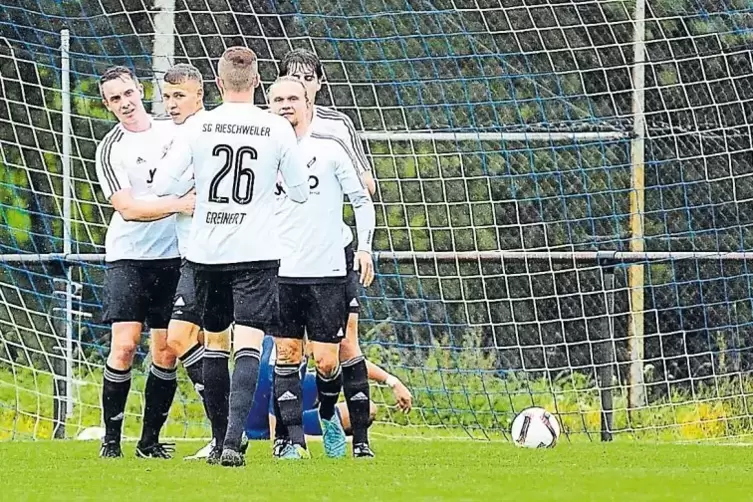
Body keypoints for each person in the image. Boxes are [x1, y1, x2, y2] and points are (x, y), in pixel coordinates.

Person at [174, 47, 309, 466]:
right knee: (248, 343)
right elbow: (301, 191)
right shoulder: (276, 128)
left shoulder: (199, 125)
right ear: (256, 82)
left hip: (208, 252)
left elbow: (164, 182)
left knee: (214, 341)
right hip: (257, 251)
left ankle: (218, 441)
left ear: (217, 83)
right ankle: (233, 443)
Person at [278, 48, 379, 454]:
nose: (298, 86)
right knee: (286, 350)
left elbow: (365, 187)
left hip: (334, 251)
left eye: (306, 78)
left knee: (340, 349)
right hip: (285, 259)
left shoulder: (336, 129)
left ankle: (349, 431)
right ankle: (289, 441)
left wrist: (329, 184)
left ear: (318, 84)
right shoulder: (269, 132)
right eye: (290, 78)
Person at [93, 65, 194, 458]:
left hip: (173, 257)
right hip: (129, 257)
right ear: (107, 105)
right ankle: (111, 440)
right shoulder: (110, 149)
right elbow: (129, 209)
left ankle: (149, 441)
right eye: (115, 99)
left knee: (167, 350)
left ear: (140, 91)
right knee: (124, 345)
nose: (125, 103)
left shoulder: (174, 132)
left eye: (128, 94)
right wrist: (180, 205)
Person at [150, 63, 236, 455]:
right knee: (183, 338)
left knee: (233, 344)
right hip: (192, 256)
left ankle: (238, 436)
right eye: (167, 97)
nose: (171, 104)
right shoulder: (181, 135)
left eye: (179, 95)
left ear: (201, 94)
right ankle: (225, 434)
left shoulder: (212, 129)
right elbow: (163, 189)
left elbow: (163, 185)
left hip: (228, 256)